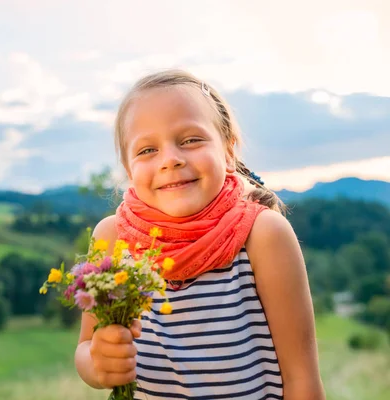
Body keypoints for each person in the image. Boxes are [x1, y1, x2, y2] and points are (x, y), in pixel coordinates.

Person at [74, 69, 325, 399]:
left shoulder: (263, 235)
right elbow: (86, 348)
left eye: (191, 140)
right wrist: (98, 363)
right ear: (128, 169)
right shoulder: (113, 238)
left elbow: (302, 380)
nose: (171, 160)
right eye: (147, 150)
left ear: (229, 152)